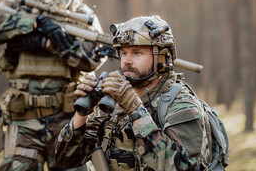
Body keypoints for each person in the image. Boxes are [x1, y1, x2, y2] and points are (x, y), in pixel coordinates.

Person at [0, 0, 104, 171]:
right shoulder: (18, 3)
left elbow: (93, 58)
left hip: (67, 118)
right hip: (23, 118)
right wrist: (35, 25)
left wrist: (53, 44)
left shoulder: (80, 13)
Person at [54, 15, 215, 170]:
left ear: (161, 57)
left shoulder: (181, 104)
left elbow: (182, 167)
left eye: (137, 53)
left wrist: (135, 110)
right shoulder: (112, 102)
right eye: (124, 53)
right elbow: (66, 159)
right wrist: (82, 114)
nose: (127, 61)